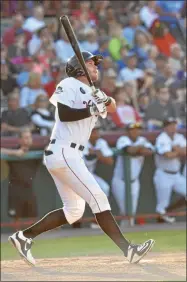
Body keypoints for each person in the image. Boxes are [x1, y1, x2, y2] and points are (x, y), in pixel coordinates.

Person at [9, 51, 155, 266]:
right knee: (99, 200)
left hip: (70, 154)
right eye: (91, 63)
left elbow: (112, 107)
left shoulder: (91, 91)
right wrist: (92, 107)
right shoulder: (68, 84)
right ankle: (129, 250)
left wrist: (105, 99)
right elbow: (65, 114)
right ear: (79, 67)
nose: (96, 66)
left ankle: (24, 237)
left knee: (75, 211)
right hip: (64, 152)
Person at [112, 122, 154, 227]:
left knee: (131, 212)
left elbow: (150, 152)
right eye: (132, 129)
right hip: (120, 181)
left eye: (138, 129)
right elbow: (129, 150)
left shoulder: (142, 140)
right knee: (126, 210)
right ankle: (124, 231)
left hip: (134, 181)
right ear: (128, 131)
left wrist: (138, 149)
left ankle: (126, 231)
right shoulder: (123, 139)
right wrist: (139, 148)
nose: (135, 131)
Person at [1, 128, 39, 228]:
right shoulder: (14, 150)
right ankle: (17, 240)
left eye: (30, 137)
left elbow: (50, 150)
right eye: (26, 138)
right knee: (16, 218)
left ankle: (32, 239)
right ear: (20, 140)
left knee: (32, 216)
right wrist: (15, 153)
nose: (28, 140)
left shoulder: (36, 150)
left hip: (29, 187)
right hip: (15, 188)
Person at [154, 117, 186, 223]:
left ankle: (169, 212)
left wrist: (174, 149)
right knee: (161, 206)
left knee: (165, 209)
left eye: (174, 125)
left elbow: (185, 152)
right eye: (170, 125)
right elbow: (167, 155)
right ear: (165, 127)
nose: (172, 127)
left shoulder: (179, 137)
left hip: (176, 175)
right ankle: (159, 226)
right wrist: (178, 150)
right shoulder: (161, 138)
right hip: (163, 174)